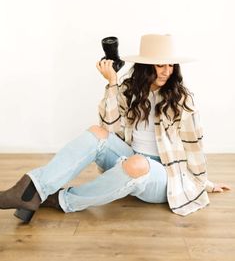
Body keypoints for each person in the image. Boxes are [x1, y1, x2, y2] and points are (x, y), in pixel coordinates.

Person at [0, 34, 230, 223]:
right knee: (97, 133)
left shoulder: (182, 99)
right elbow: (108, 127)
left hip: (164, 175)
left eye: (171, 65)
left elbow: (194, 146)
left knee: (137, 163)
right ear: (146, 66)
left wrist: (203, 184)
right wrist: (112, 83)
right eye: (160, 64)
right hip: (129, 159)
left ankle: (61, 200)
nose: (166, 71)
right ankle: (33, 189)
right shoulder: (130, 90)